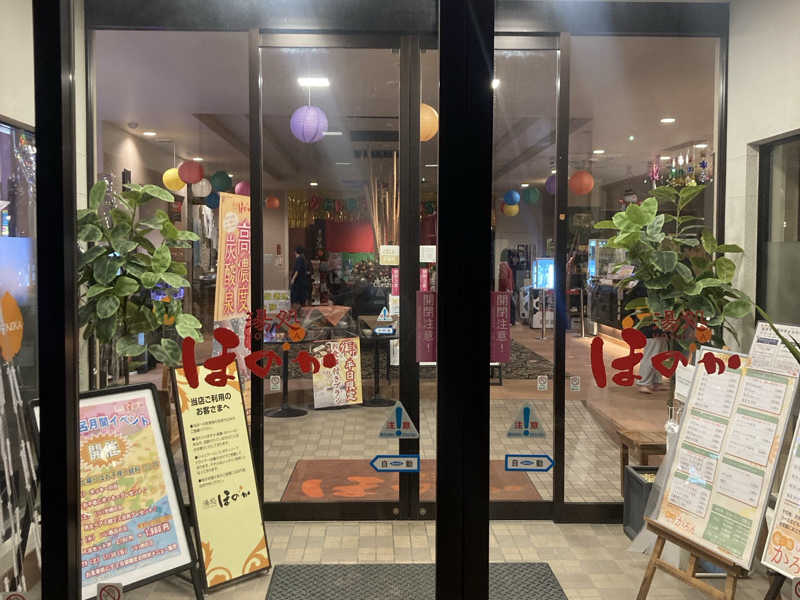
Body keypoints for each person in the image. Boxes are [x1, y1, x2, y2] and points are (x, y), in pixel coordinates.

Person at [629, 280, 667, 393]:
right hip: (650, 325)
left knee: (660, 354)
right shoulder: (645, 284)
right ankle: (644, 382)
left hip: (660, 323)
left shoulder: (655, 281)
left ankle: (656, 381)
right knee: (652, 353)